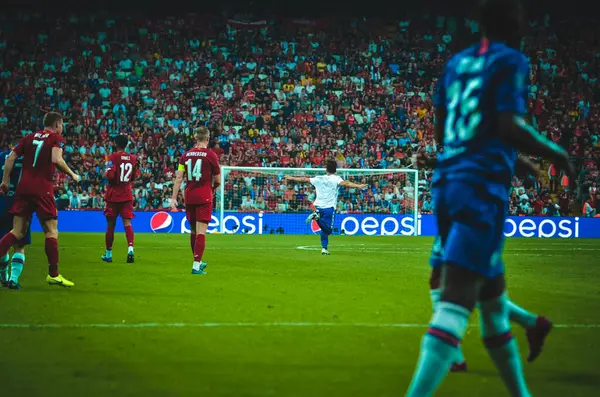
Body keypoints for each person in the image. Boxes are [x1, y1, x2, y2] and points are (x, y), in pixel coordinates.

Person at [406, 1, 576, 395]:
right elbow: (507, 125)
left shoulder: (455, 64)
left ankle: (526, 365)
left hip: (450, 182)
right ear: (517, 23)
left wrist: (505, 159)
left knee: (493, 301)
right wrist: (555, 153)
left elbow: (445, 131)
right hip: (481, 188)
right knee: (454, 300)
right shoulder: (511, 60)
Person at [418, 153, 554, 373]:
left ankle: (455, 356)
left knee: (444, 283)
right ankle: (532, 323)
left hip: (467, 211)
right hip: (472, 208)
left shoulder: (479, 133)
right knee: (480, 291)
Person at [0, 112, 81, 288]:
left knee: (16, 231)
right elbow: (56, 159)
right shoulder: (55, 138)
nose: (62, 127)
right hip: (43, 189)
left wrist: (5, 181)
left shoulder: (28, 137)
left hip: (23, 188)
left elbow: (11, 158)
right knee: (51, 231)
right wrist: (72, 174)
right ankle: (53, 274)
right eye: (62, 124)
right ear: (57, 124)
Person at [284, 160, 367, 255]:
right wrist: (359, 186)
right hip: (329, 208)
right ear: (335, 170)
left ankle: (324, 248)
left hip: (318, 207)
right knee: (328, 230)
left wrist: (291, 177)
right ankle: (317, 218)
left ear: (326, 169)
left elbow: (304, 179)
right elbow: (346, 184)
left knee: (323, 230)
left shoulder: (318, 178)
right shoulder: (336, 179)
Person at [170, 127, 220, 275]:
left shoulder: (185, 156)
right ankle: (196, 265)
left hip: (189, 196)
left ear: (195, 138)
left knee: (193, 231)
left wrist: (173, 198)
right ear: (208, 138)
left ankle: (196, 260)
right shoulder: (210, 155)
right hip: (204, 196)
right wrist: (211, 189)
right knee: (201, 232)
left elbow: (179, 178)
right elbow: (218, 179)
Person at [102, 134, 138, 263]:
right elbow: (133, 177)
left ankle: (109, 253)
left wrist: (106, 172)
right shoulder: (132, 158)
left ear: (116, 144)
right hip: (127, 194)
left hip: (113, 195)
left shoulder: (111, 157)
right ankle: (130, 249)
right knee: (127, 223)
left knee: (111, 224)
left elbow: (111, 176)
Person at [0, 138, 31, 290]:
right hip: (21, 203)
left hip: (2, 203)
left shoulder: (2, 157)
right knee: (19, 245)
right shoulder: (29, 161)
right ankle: (13, 279)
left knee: (2, 242)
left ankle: (4, 275)